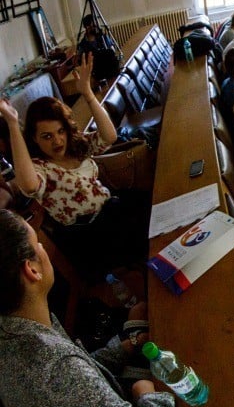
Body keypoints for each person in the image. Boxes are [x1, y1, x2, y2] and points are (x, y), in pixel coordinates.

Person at [0, 210, 183, 407]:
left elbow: (84, 375)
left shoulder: (15, 327)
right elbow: (74, 379)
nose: (42, 247)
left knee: (140, 311)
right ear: (32, 269)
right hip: (131, 404)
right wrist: (147, 396)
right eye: (37, 242)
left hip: (106, 404)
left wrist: (123, 348)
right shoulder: (58, 370)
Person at [1, 54, 148, 274]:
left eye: (60, 131)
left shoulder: (74, 146)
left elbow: (109, 137)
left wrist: (87, 93)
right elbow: (29, 186)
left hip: (110, 211)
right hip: (90, 235)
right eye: (47, 136)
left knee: (149, 205)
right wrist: (13, 124)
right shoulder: (41, 167)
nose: (57, 141)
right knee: (143, 233)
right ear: (34, 139)